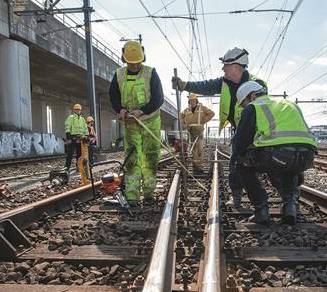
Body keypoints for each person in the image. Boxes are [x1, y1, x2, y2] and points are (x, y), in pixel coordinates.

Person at [172, 48, 267, 206]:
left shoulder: (257, 85)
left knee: (264, 164)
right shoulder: (224, 83)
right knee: (236, 162)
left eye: (226, 65)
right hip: (240, 129)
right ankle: (237, 198)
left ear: (237, 67)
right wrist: (185, 85)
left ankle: (286, 200)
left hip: (258, 131)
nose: (223, 68)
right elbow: (205, 86)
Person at [232, 81, 317, 225]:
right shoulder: (290, 104)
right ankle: (290, 207)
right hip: (306, 156)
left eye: (244, 103)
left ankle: (261, 210)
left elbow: (240, 142)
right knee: (288, 168)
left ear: (252, 96)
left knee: (241, 165)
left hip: (279, 155)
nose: (244, 107)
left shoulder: (254, 107)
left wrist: (241, 156)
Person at [109, 40, 164, 206]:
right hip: (131, 123)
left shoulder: (151, 73)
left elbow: (158, 98)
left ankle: (148, 191)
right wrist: (121, 110)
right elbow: (113, 96)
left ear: (143, 58)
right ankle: (132, 195)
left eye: (136, 62)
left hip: (150, 122)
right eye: (130, 63)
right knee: (132, 158)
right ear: (124, 59)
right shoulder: (118, 75)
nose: (133, 66)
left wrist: (142, 111)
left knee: (151, 156)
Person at [181, 93, 214, 173]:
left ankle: (199, 168)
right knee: (193, 150)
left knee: (199, 150)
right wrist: (184, 124)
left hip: (199, 131)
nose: (192, 102)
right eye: (191, 100)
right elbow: (181, 116)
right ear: (189, 101)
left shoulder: (202, 108)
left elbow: (211, 113)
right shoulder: (186, 110)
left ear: (196, 100)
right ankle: (195, 167)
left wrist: (203, 121)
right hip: (190, 132)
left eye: (193, 100)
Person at [64, 103, 89, 170]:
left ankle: (79, 167)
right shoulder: (71, 118)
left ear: (81, 110)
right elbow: (67, 125)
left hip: (81, 138)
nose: (78, 111)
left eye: (79, 110)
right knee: (70, 153)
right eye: (76, 110)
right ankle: (67, 167)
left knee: (80, 154)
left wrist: (86, 136)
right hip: (73, 137)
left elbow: (85, 128)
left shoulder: (82, 119)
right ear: (74, 110)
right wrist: (68, 134)